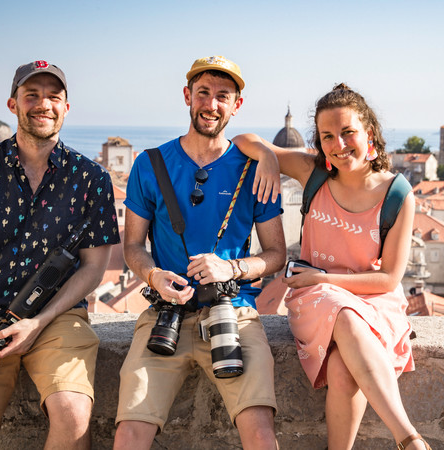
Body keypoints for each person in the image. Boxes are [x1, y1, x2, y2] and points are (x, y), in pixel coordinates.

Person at [0, 60, 120, 449]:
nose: (43, 104)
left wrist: (39, 322)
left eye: (54, 96)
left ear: (67, 107)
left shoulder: (91, 179)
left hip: (56, 317)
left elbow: (93, 268)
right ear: (12, 104)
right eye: (31, 95)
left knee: (73, 416)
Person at [233, 84, 430, 450]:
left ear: (368, 132)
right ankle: (410, 438)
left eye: (347, 132)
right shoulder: (313, 173)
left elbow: (389, 279)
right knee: (343, 314)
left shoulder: (398, 194)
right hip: (315, 295)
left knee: (342, 368)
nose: (339, 145)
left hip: (373, 297)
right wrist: (268, 156)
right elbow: (241, 138)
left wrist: (327, 278)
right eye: (327, 137)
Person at [113, 55, 286, 450]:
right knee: (128, 434)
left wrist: (231, 267)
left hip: (234, 312)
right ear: (187, 96)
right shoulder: (150, 164)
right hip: (165, 312)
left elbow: (276, 253)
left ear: (236, 105)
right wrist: (154, 275)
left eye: (222, 96)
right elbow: (133, 246)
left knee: (260, 432)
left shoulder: (251, 166)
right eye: (203, 93)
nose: (211, 104)